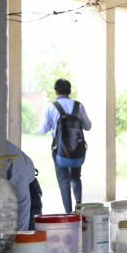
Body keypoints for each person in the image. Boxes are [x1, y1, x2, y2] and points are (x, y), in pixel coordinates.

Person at [37, 78, 92, 214]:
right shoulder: (78, 106)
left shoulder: (51, 107)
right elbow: (88, 126)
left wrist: (52, 125)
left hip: (59, 149)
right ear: (70, 91)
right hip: (77, 149)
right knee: (76, 177)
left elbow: (42, 129)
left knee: (63, 180)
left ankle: (68, 212)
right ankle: (79, 207)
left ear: (56, 92)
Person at [5, 141, 42, 231]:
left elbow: (23, 205)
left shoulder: (13, 166)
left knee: (29, 240)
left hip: (29, 193)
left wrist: (20, 238)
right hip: (7, 194)